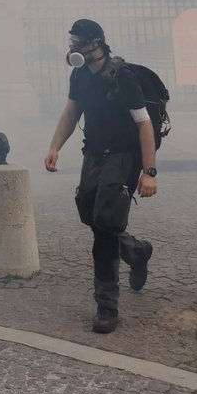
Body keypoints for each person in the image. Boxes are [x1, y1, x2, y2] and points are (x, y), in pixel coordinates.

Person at [44, 18, 157, 334]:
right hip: (93, 153)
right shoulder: (79, 74)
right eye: (72, 44)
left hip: (122, 157)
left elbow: (144, 125)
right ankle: (136, 251)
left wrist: (149, 172)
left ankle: (107, 307)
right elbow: (71, 112)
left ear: (96, 45)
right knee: (91, 213)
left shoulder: (123, 78)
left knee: (105, 227)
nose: (75, 50)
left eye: (80, 44)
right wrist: (54, 147)